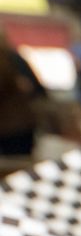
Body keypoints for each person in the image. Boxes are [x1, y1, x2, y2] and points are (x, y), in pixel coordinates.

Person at [0, 29, 45, 157]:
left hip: (11, 126)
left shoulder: (5, 59)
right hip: (19, 124)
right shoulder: (13, 57)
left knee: (15, 164)